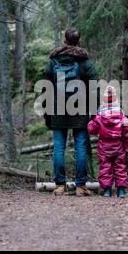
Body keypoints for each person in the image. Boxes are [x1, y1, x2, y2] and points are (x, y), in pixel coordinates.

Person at [44, 28, 98, 196]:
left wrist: (47, 112)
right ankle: (81, 186)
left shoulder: (54, 61)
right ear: (78, 41)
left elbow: (46, 87)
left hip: (58, 109)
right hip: (80, 109)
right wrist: (94, 111)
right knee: (80, 147)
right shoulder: (84, 61)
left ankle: (60, 185)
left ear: (64, 40)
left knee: (59, 147)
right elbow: (95, 87)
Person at [87, 86, 128, 198]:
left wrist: (90, 122)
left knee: (105, 168)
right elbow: (127, 132)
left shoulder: (99, 115)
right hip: (118, 146)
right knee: (120, 167)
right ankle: (121, 191)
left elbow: (91, 129)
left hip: (104, 146)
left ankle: (107, 191)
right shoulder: (121, 114)